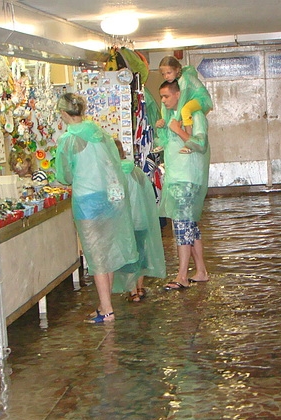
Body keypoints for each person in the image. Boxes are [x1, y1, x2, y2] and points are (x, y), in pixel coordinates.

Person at [55, 93, 138, 323]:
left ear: (63, 113)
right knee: (107, 252)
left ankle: (108, 310)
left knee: (96, 256)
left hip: (87, 201)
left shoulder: (68, 140)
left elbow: (64, 175)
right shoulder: (99, 133)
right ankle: (104, 304)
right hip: (109, 198)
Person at [158, 80, 210, 289]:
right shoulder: (171, 116)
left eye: (166, 96)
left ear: (178, 94)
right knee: (190, 225)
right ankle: (201, 271)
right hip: (176, 177)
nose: (163, 100)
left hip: (187, 178)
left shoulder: (194, 115)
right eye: (161, 97)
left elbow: (200, 144)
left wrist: (178, 130)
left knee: (182, 226)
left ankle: (182, 276)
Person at [113, 140, 166, 302]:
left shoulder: (114, 174)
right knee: (141, 254)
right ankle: (140, 287)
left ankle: (132, 291)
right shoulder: (136, 171)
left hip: (125, 223)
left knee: (128, 255)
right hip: (141, 221)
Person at [154, 56, 212, 152]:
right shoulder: (175, 81)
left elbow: (182, 101)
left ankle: (188, 143)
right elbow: (164, 108)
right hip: (193, 99)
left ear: (177, 70)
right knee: (179, 112)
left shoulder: (184, 80)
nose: (166, 77)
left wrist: (176, 123)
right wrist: (164, 120)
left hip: (203, 99)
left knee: (185, 110)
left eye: (169, 73)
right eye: (163, 74)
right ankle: (164, 142)